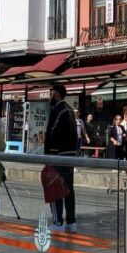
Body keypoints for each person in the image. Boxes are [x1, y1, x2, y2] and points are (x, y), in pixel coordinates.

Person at [45, 83, 78, 232]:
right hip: (70, 156)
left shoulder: (56, 110)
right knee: (69, 189)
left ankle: (57, 221)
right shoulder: (70, 110)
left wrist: (47, 155)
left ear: (56, 94)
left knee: (55, 187)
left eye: (50, 92)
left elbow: (51, 133)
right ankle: (71, 222)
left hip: (56, 154)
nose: (49, 95)